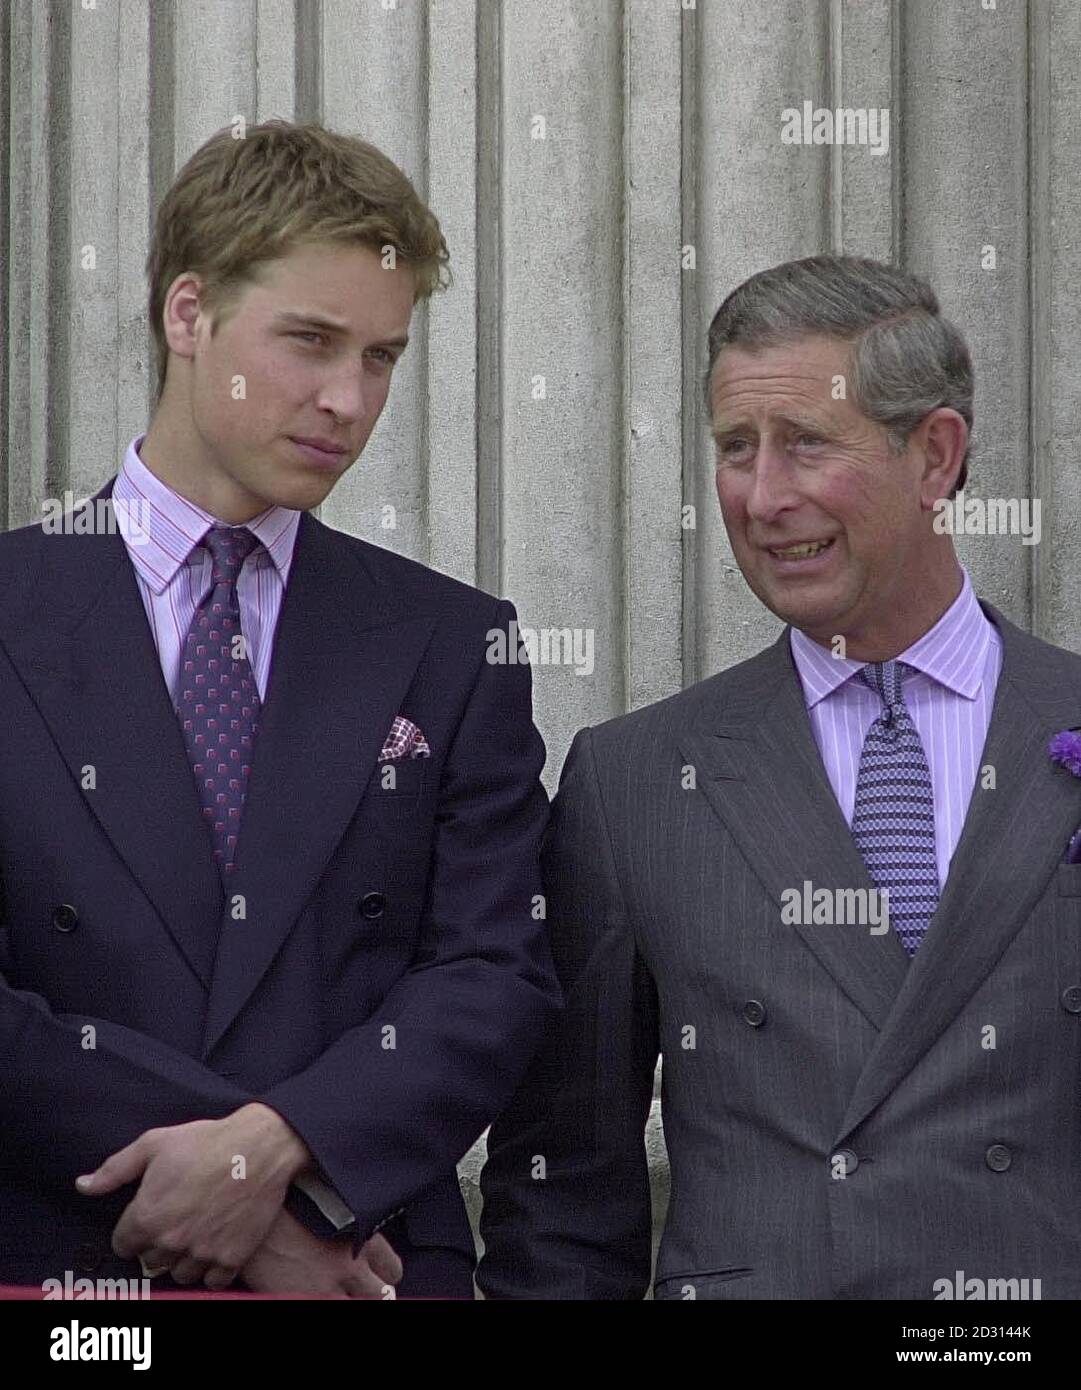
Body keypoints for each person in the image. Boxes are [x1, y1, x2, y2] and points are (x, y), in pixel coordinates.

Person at [0, 119, 559, 1299]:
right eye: (310, 341)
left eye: (382, 357)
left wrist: (273, 1155)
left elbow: (493, 970)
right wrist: (255, 1217)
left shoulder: (454, 642)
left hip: (369, 1258)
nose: (348, 400)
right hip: (64, 1268)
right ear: (188, 315)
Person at [477, 255, 1081, 1299]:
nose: (762, 498)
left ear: (934, 456)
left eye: (804, 444)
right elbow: (562, 1193)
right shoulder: (634, 782)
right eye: (734, 449)